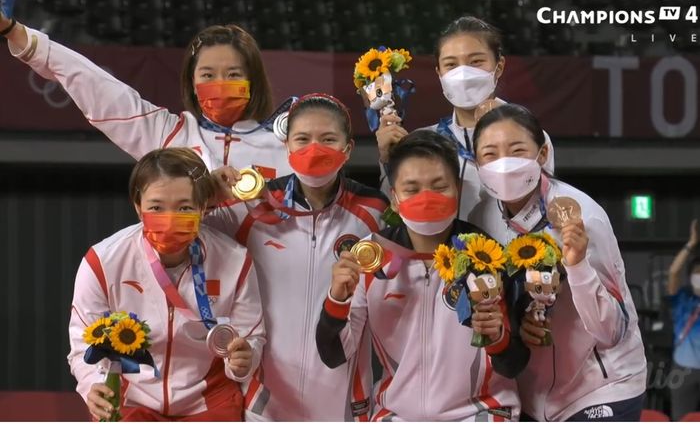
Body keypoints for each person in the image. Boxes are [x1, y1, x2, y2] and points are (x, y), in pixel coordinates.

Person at [316, 130, 527, 421]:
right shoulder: (372, 257)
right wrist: (337, 299)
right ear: (394, 197)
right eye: (412, 189)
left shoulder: (486, 255)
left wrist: (498, 337)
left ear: (458, 191)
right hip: (397, 416)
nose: (426, 199)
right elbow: (334, 355)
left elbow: (513, 364)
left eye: (439, 187)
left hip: (481, 414)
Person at [205, 93, 389, 421]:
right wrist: (206, 192)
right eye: (302, 139)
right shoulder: (255, 204)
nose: (314, 148)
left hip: (343, 401)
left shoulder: (373, 210)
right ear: (287, 147)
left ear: (347, 150)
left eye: (328, 139)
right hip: (265, 401)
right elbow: (190, 231)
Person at [468, 103, 647, 421]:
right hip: (532, 393)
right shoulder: (480, 218)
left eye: (517, 149)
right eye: (490, 154)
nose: (504, 163)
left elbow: (612, 329)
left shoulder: (580, 216)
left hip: (600, 386)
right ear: (476, 163)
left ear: (541, 154)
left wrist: (577, 266)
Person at [67, 148, 265, 421]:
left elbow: (252, 337)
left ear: (203, 207)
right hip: (131, 402)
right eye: (156, 207)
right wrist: (92, 384)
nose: (170, 219)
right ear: (138, 206)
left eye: (184, 208)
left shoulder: (234, 261)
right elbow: (82, 342)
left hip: (211, 404)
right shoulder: (103, 262)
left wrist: (244, 361)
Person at [0, 8, 291, 176]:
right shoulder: (168, 136)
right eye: (207, 74)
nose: (220, 82)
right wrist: (14, 32)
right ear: (191, 82)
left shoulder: (286, 147)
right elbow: (95, 85)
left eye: (233, 74)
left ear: (254, 81)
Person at [374, 15, 555, 218]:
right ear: (439, 73)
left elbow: (539, 212)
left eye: (476, 61)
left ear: (500, 66)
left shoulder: (527, 139)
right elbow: (395, 216)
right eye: (451, 65)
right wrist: (388, 160)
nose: (463, 73)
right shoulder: (423, 141)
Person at [665, 219, 700, 421]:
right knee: (681, 422)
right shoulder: (682, 299)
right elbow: (673, 272)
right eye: (697, 273)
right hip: (683, 370)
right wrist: (691, 244)